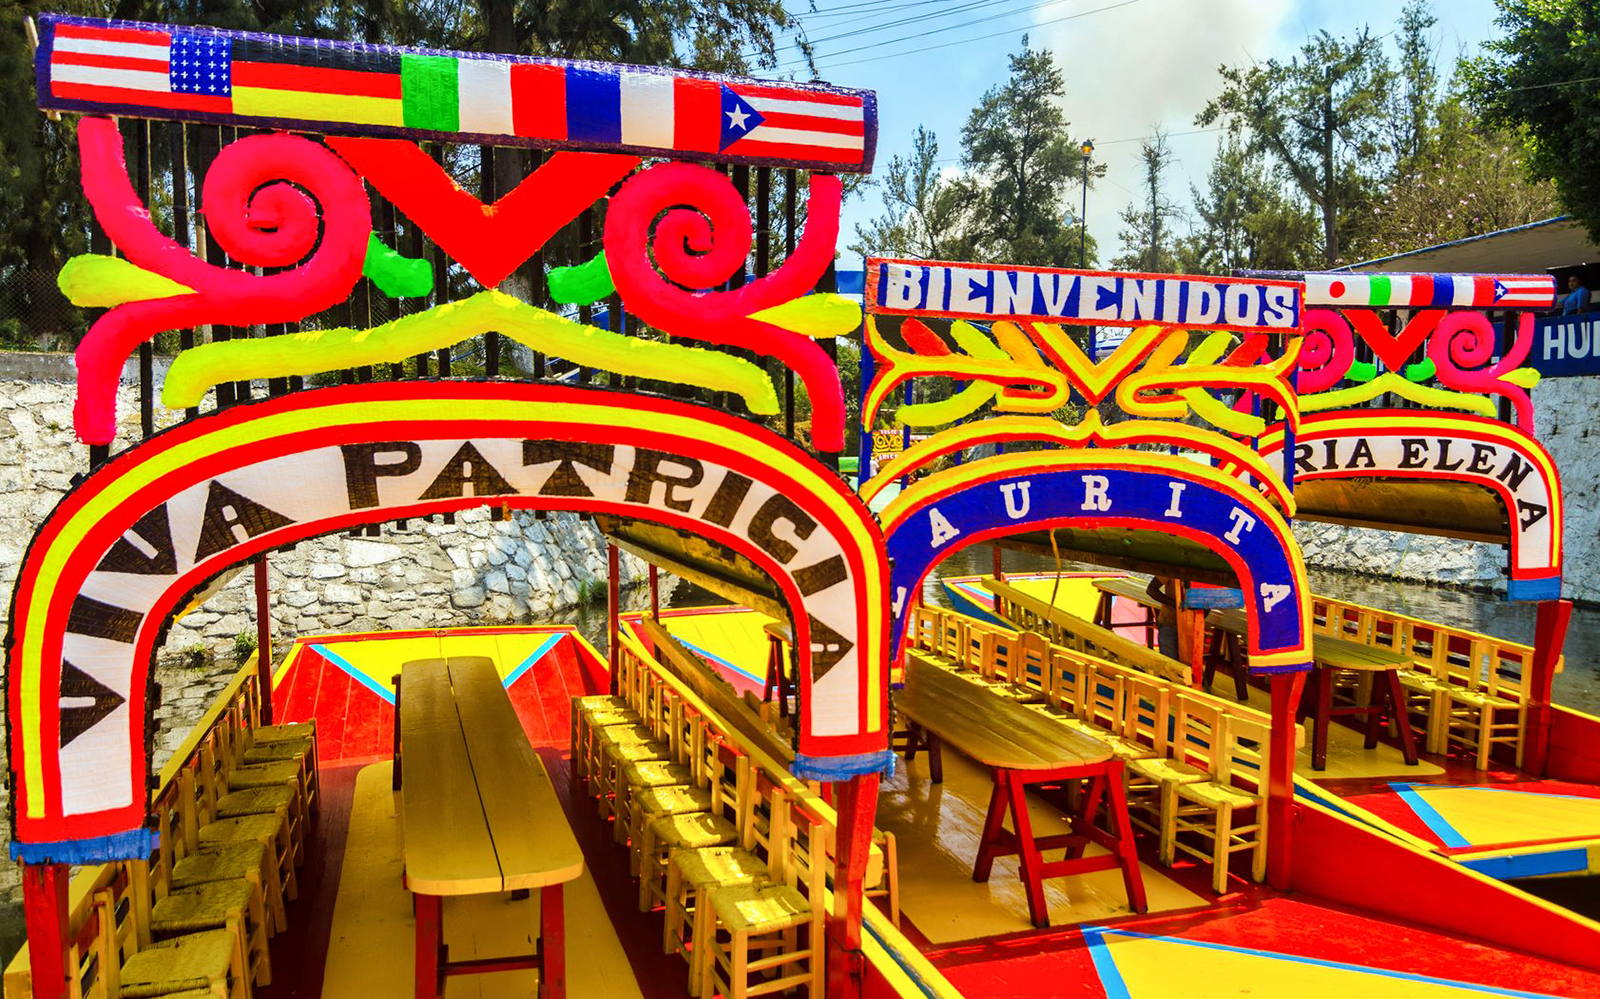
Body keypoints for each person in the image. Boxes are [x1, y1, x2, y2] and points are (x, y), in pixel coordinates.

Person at [1144, 576, 1181, 660]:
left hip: (1191, 625)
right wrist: (1175, 605)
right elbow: (1151, 590)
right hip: (1170, 622)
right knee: (1169, 661)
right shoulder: (1172, 570)